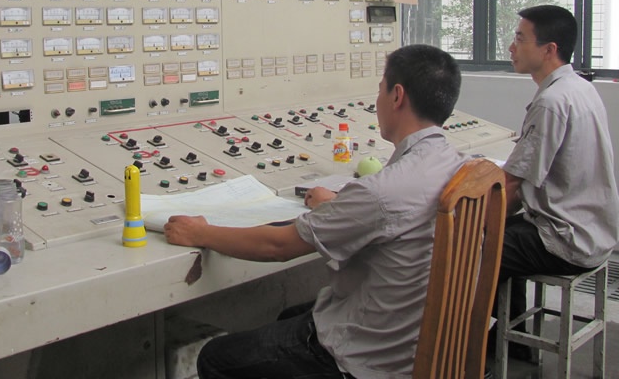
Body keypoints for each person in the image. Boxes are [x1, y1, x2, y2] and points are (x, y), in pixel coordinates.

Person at [164, 44, 469, 379]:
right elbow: (388, 212)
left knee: (216, 357)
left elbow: (278, 247)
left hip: (372, 359)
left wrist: (201, 232)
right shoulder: (463, 168)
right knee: (292, 315)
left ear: (397, 96)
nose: (376, 100)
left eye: (380, 88)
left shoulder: (381, 191)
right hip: (432, 343)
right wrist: (339, 206)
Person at [496, 5, 619, 357]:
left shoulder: (551, 101)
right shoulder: (579, 87)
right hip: (592, 228)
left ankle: (467, 347)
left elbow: (513, 183)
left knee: (475, 245)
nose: (511, 47)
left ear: (549, 49)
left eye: (520, 38)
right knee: (505, 233)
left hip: (567, 238)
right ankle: (513, 345)